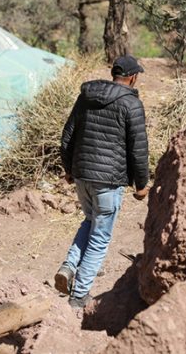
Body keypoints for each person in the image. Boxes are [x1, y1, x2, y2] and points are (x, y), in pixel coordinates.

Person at [55, 54, 149, 308]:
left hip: (82, 175)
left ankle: (69, 266)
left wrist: (68, 169)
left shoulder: (86, 96)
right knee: (100, 236)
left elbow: (67, 136)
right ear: (132, 77)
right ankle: (79, 296)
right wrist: (142, 184)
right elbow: (138, 149)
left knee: (90, 220)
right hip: (109, 180)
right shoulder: (131, 105)